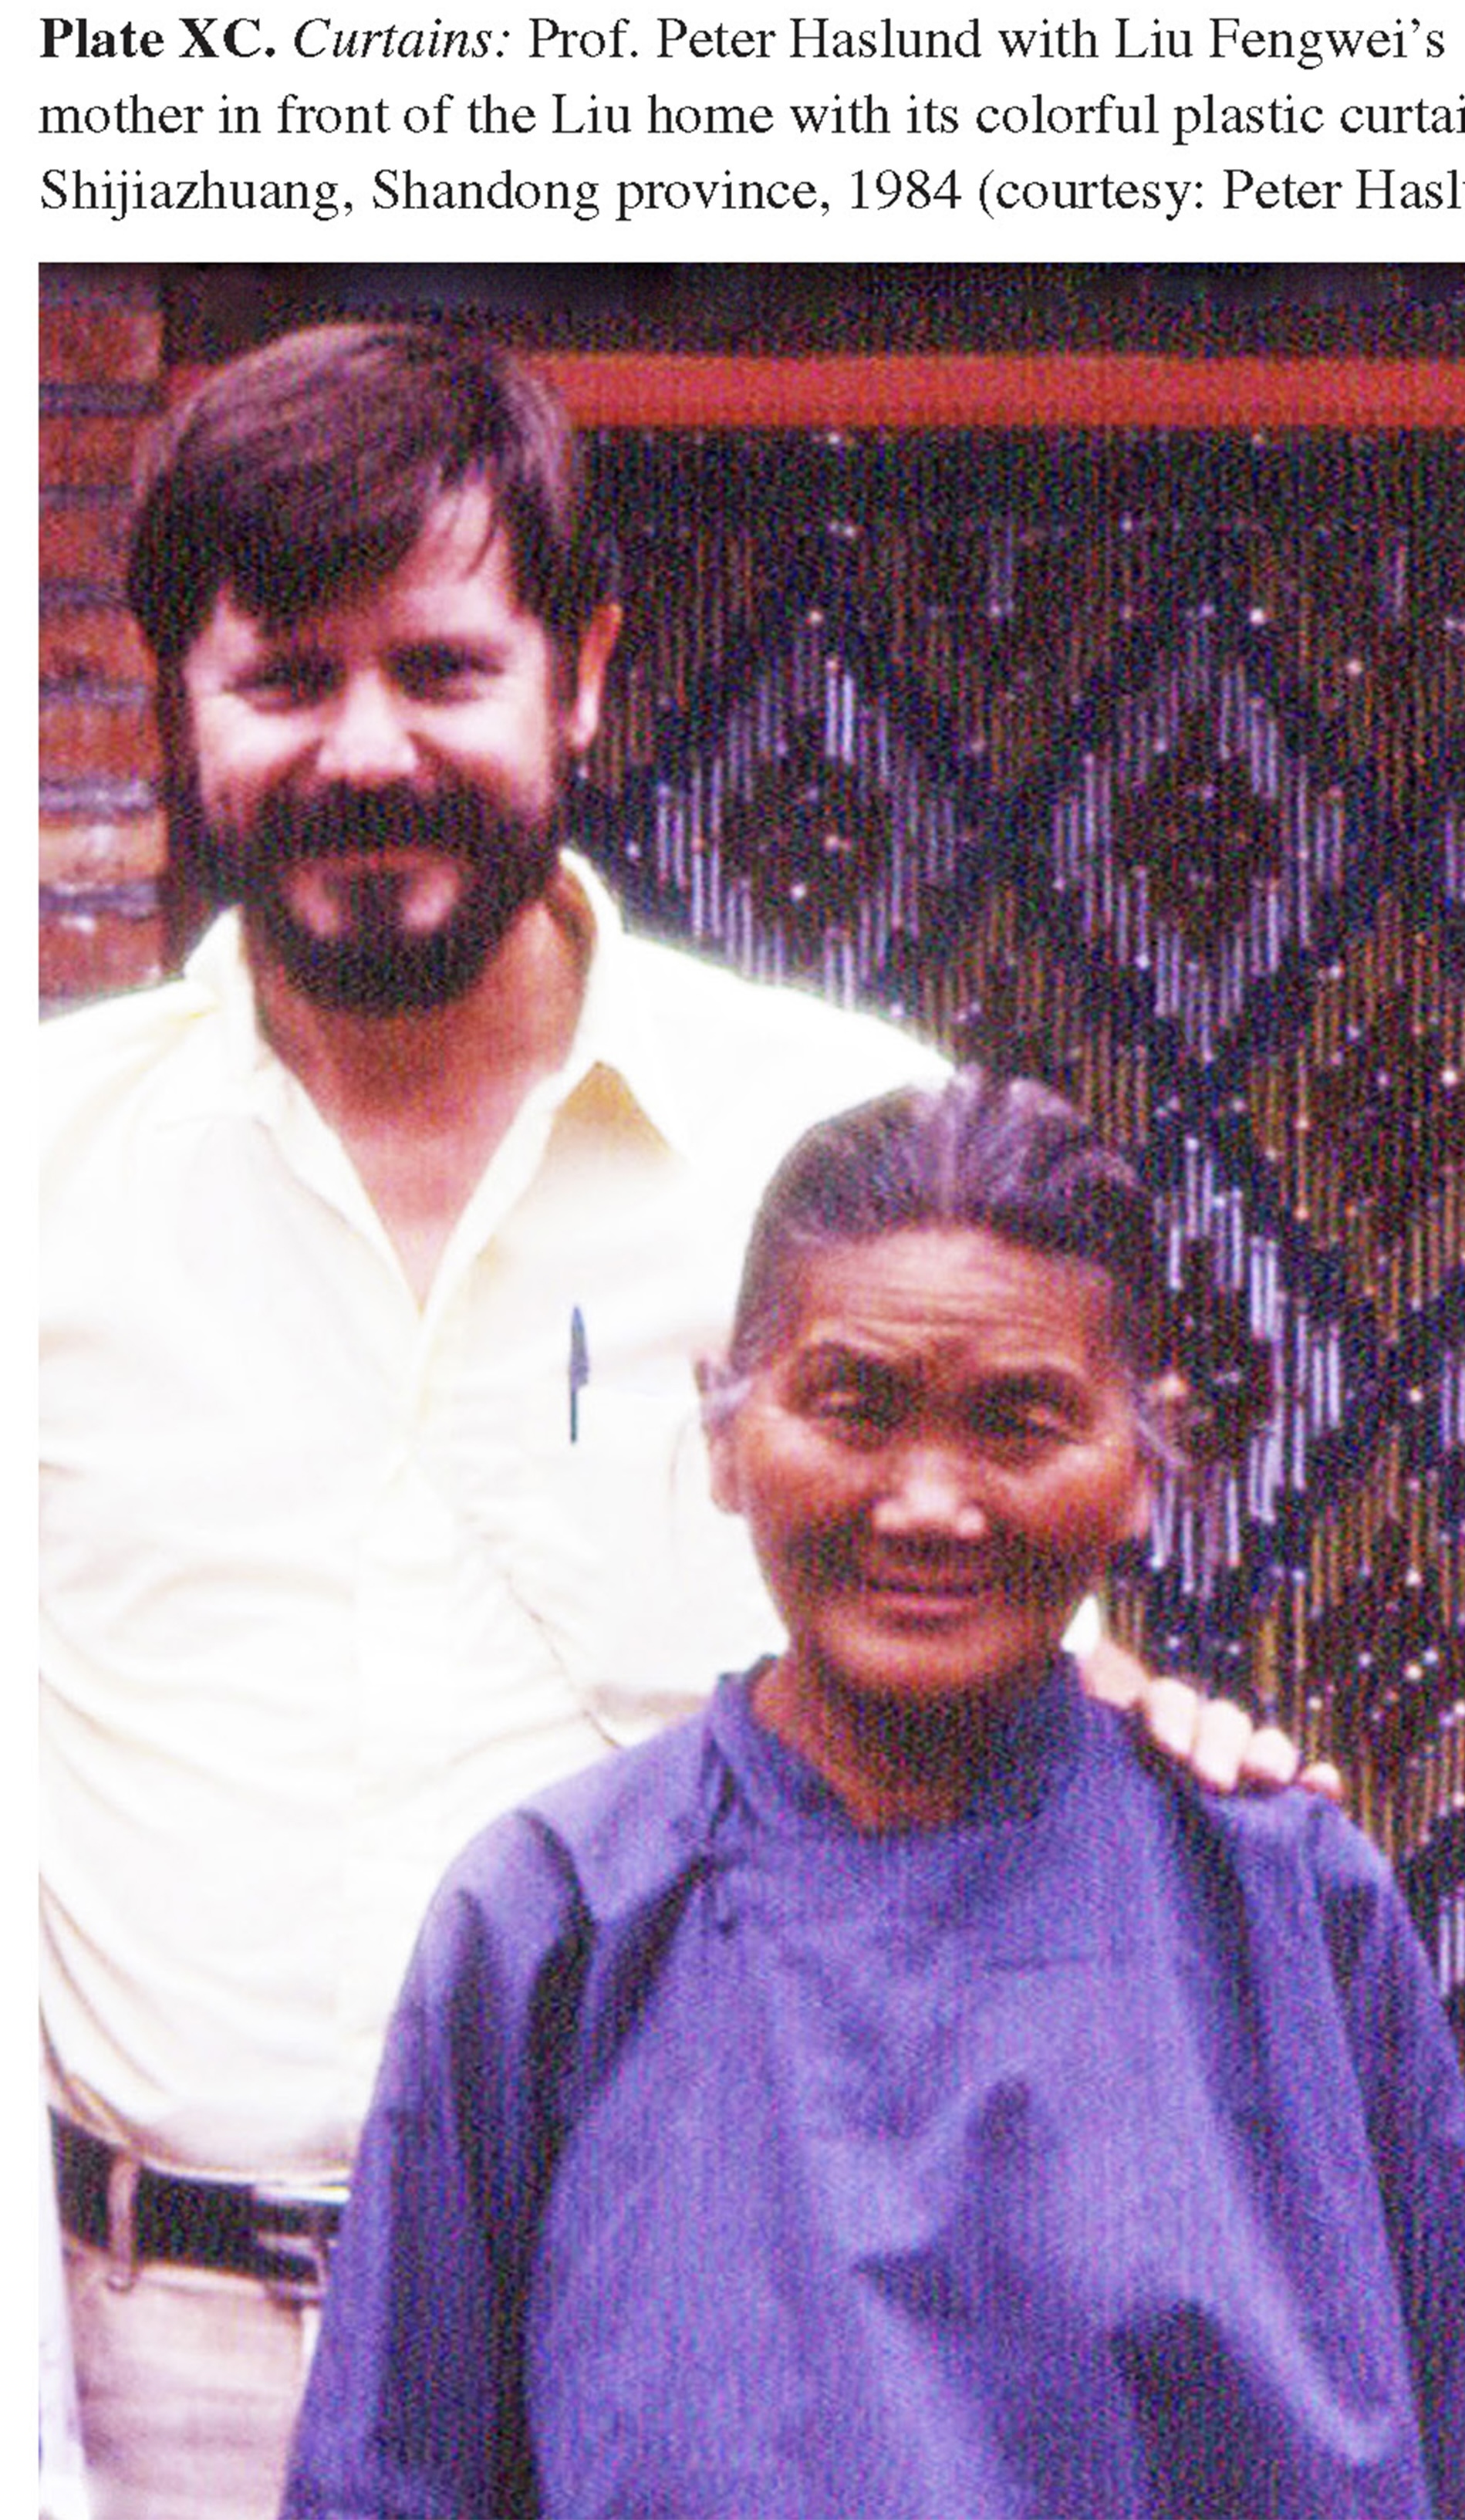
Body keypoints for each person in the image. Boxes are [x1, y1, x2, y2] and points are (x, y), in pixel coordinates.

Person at [41, 324, 1325, 2520]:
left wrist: (1147, 1713)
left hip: (695, 2329)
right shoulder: (40, 1168)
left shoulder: (815, 1149)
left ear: (583, 672)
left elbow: (970, 1609)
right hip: (149, 2368)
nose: (367, 749)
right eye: (286, 680)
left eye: (443, 668)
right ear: (179, 698)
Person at [282, 1072, 1465, 2520]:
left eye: (1020, 1422)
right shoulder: (555, 1917)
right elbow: (391, 2483)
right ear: (725, 1433)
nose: (929, 1503)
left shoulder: (1286, 1908)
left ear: (1142, 1459)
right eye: (854, 1407)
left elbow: (1454, 2456)